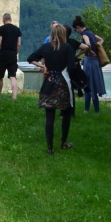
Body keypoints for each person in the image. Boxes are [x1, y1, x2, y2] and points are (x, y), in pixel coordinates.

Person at [27, 22, 75, 155]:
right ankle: (63, 141)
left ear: (52, 34)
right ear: (63, 34)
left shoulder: (46, 47)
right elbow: (71, 68)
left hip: (49, 82)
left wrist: (43, 67)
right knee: (66, 113)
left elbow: (30, 58)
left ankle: (50, 147)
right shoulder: (67, 48)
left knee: (49, 116)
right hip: (63, 82)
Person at [72, 15, 106, 113]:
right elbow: (101, 40)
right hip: (96, 61)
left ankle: (86, 109)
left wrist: (84, 52)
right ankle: (96, 110)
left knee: (87, 84)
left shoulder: (84, 34)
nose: (77, 32)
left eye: (76, 30)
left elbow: (87, 45)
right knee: (94, 84)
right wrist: (98, 46)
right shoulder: (90, 32)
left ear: (78, 27)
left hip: (89, 61)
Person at [0, 12, 22, 99]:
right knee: (12, 76)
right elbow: (19, 44)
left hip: (3, 54)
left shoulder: (2, 28)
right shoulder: (17, 29)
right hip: (12, 54)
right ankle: (14, 97)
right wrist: (16, 53)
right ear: (10, 19)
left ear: (3, 20)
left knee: (0, 76)